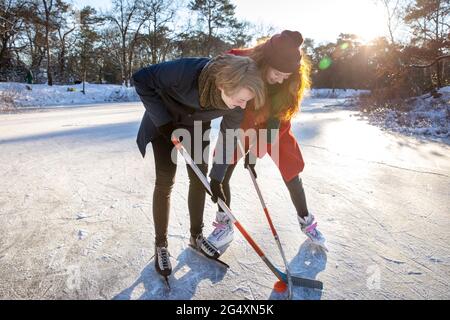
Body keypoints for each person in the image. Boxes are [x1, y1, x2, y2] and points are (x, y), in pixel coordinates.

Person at [132, 54, 265, 280]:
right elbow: (141, 78)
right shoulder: (185, 71)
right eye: (241, 99)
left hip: (195, 127)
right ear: (224, 85)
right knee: (165, 182)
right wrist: (164, 124)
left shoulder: (237, 104)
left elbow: (228, 137)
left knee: (200, 178)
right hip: (165, 124)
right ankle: (161, 245)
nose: (243, 106)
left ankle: (196, 236)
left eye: (246, 101)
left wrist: (218, 177)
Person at [207, 31, 326, 250]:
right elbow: (219, 65)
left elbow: (277, 121)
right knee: (223, 167)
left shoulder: (291, 81)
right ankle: (224, 222)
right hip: (245, 117)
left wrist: (255, 153)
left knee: (292, 170)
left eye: (286, 75)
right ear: (266, 62)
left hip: (275, 123)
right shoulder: (246, 61)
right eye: (278, 73)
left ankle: (306, 220)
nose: (282, 78)